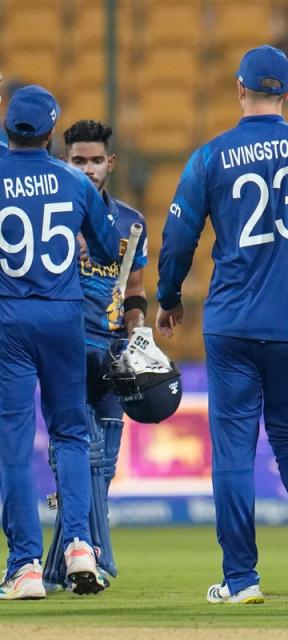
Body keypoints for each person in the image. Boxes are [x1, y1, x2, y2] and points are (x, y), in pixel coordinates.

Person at [155, 45, 288, 605]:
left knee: (234, 453)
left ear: (239, 88)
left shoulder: (211, 156)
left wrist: (169, 296)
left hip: (233, 324)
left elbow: (177, 240)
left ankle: (242, 579)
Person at [0, 85, 120, 599]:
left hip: (7, 318)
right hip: (63, 316)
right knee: (71, 433)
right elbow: (109, 249)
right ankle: (78, 546)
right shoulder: (74, 181)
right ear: (52, 133)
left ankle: (25, 564)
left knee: (13, 444)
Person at [39, 120, 148, 591]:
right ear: (64, 161)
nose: (86, 169)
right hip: (65, 347)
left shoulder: (131, 223)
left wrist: (139, 334)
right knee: (86, 457)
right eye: (77, 160)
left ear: (110, 163)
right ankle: (97, 558)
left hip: (113, 354)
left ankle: (60, 567)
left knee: (103, 463)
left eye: (94, 160)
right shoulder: (52, 216)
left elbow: (136, 291)